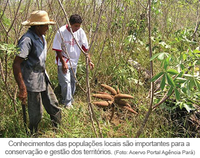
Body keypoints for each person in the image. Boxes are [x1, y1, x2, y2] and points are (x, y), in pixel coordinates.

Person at [13, 10, 61, 134]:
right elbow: (16, 63)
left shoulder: (42, 37)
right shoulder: (27, 40)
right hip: (31, 79)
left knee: (53, 103)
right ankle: (33, 134)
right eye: (45, 25)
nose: (47, 28)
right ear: (38, 26)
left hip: (42, 76)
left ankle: (58, 129)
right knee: (36, 112)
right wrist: (22, 87)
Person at [52, 14, 94, 108]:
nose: (77, 28)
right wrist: (63, 63)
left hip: (74, 62)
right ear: (70, 23)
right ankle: (67, 103)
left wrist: (89, 60)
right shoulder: (61, 32)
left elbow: (85, 48)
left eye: (79, 26)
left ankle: (70, 99)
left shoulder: (80, 32)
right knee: (66, 82)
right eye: (75, 26)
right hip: (63, 61)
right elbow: (57, 49)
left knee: (72, 81)